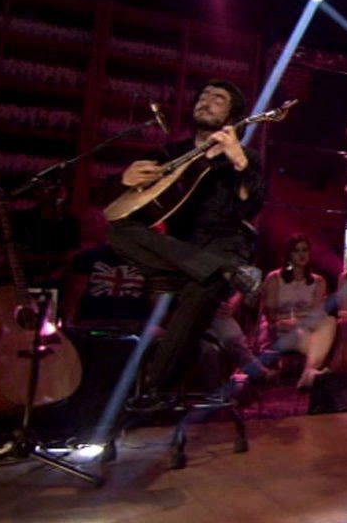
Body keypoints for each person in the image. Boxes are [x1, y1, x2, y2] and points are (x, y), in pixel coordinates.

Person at [108, 79, 264, 407]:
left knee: (200, 290)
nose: (206, 101)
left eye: (217, 98)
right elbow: (123, 206)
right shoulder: (170, 154)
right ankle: (221, 270)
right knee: (117, 230)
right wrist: (123, 179)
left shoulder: (245, 157)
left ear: (232, 116)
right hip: (179, 251)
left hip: (224, 244)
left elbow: (250, 207)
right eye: (203, 95)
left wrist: (240, 163)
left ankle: (153, 392)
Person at [258, 233, 335, 389]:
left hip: (305, 327)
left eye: (305, 250)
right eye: (296, 250)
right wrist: (300, 318)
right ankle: (310, 372)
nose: (302, 254)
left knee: (330, 321)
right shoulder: (274, 278)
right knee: (317, 339)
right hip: (280, 331)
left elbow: (317, 315)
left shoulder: (318, 281)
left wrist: (297, 321)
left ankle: (308, 372)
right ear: (289, 255)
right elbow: (272, 316)